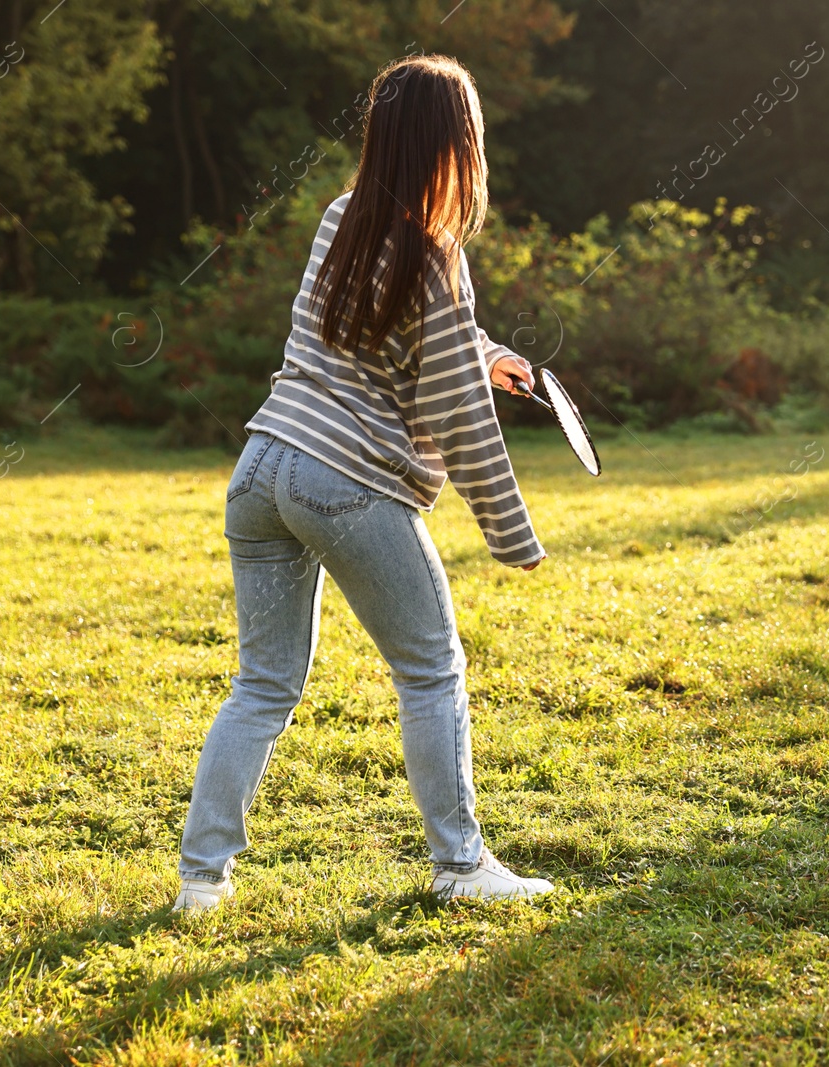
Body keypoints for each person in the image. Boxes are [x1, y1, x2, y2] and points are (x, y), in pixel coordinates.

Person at [172, 55, 555, 912]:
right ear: (457, 144)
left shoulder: (340, 218)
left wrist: (486, 352)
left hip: (262, 466)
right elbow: (457, 412)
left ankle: (201, 881)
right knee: (432, 669)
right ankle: (460, 867)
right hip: (343, 481)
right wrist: (511, 533)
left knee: (262, 684)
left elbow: (407, 332)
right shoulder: (436, 253)